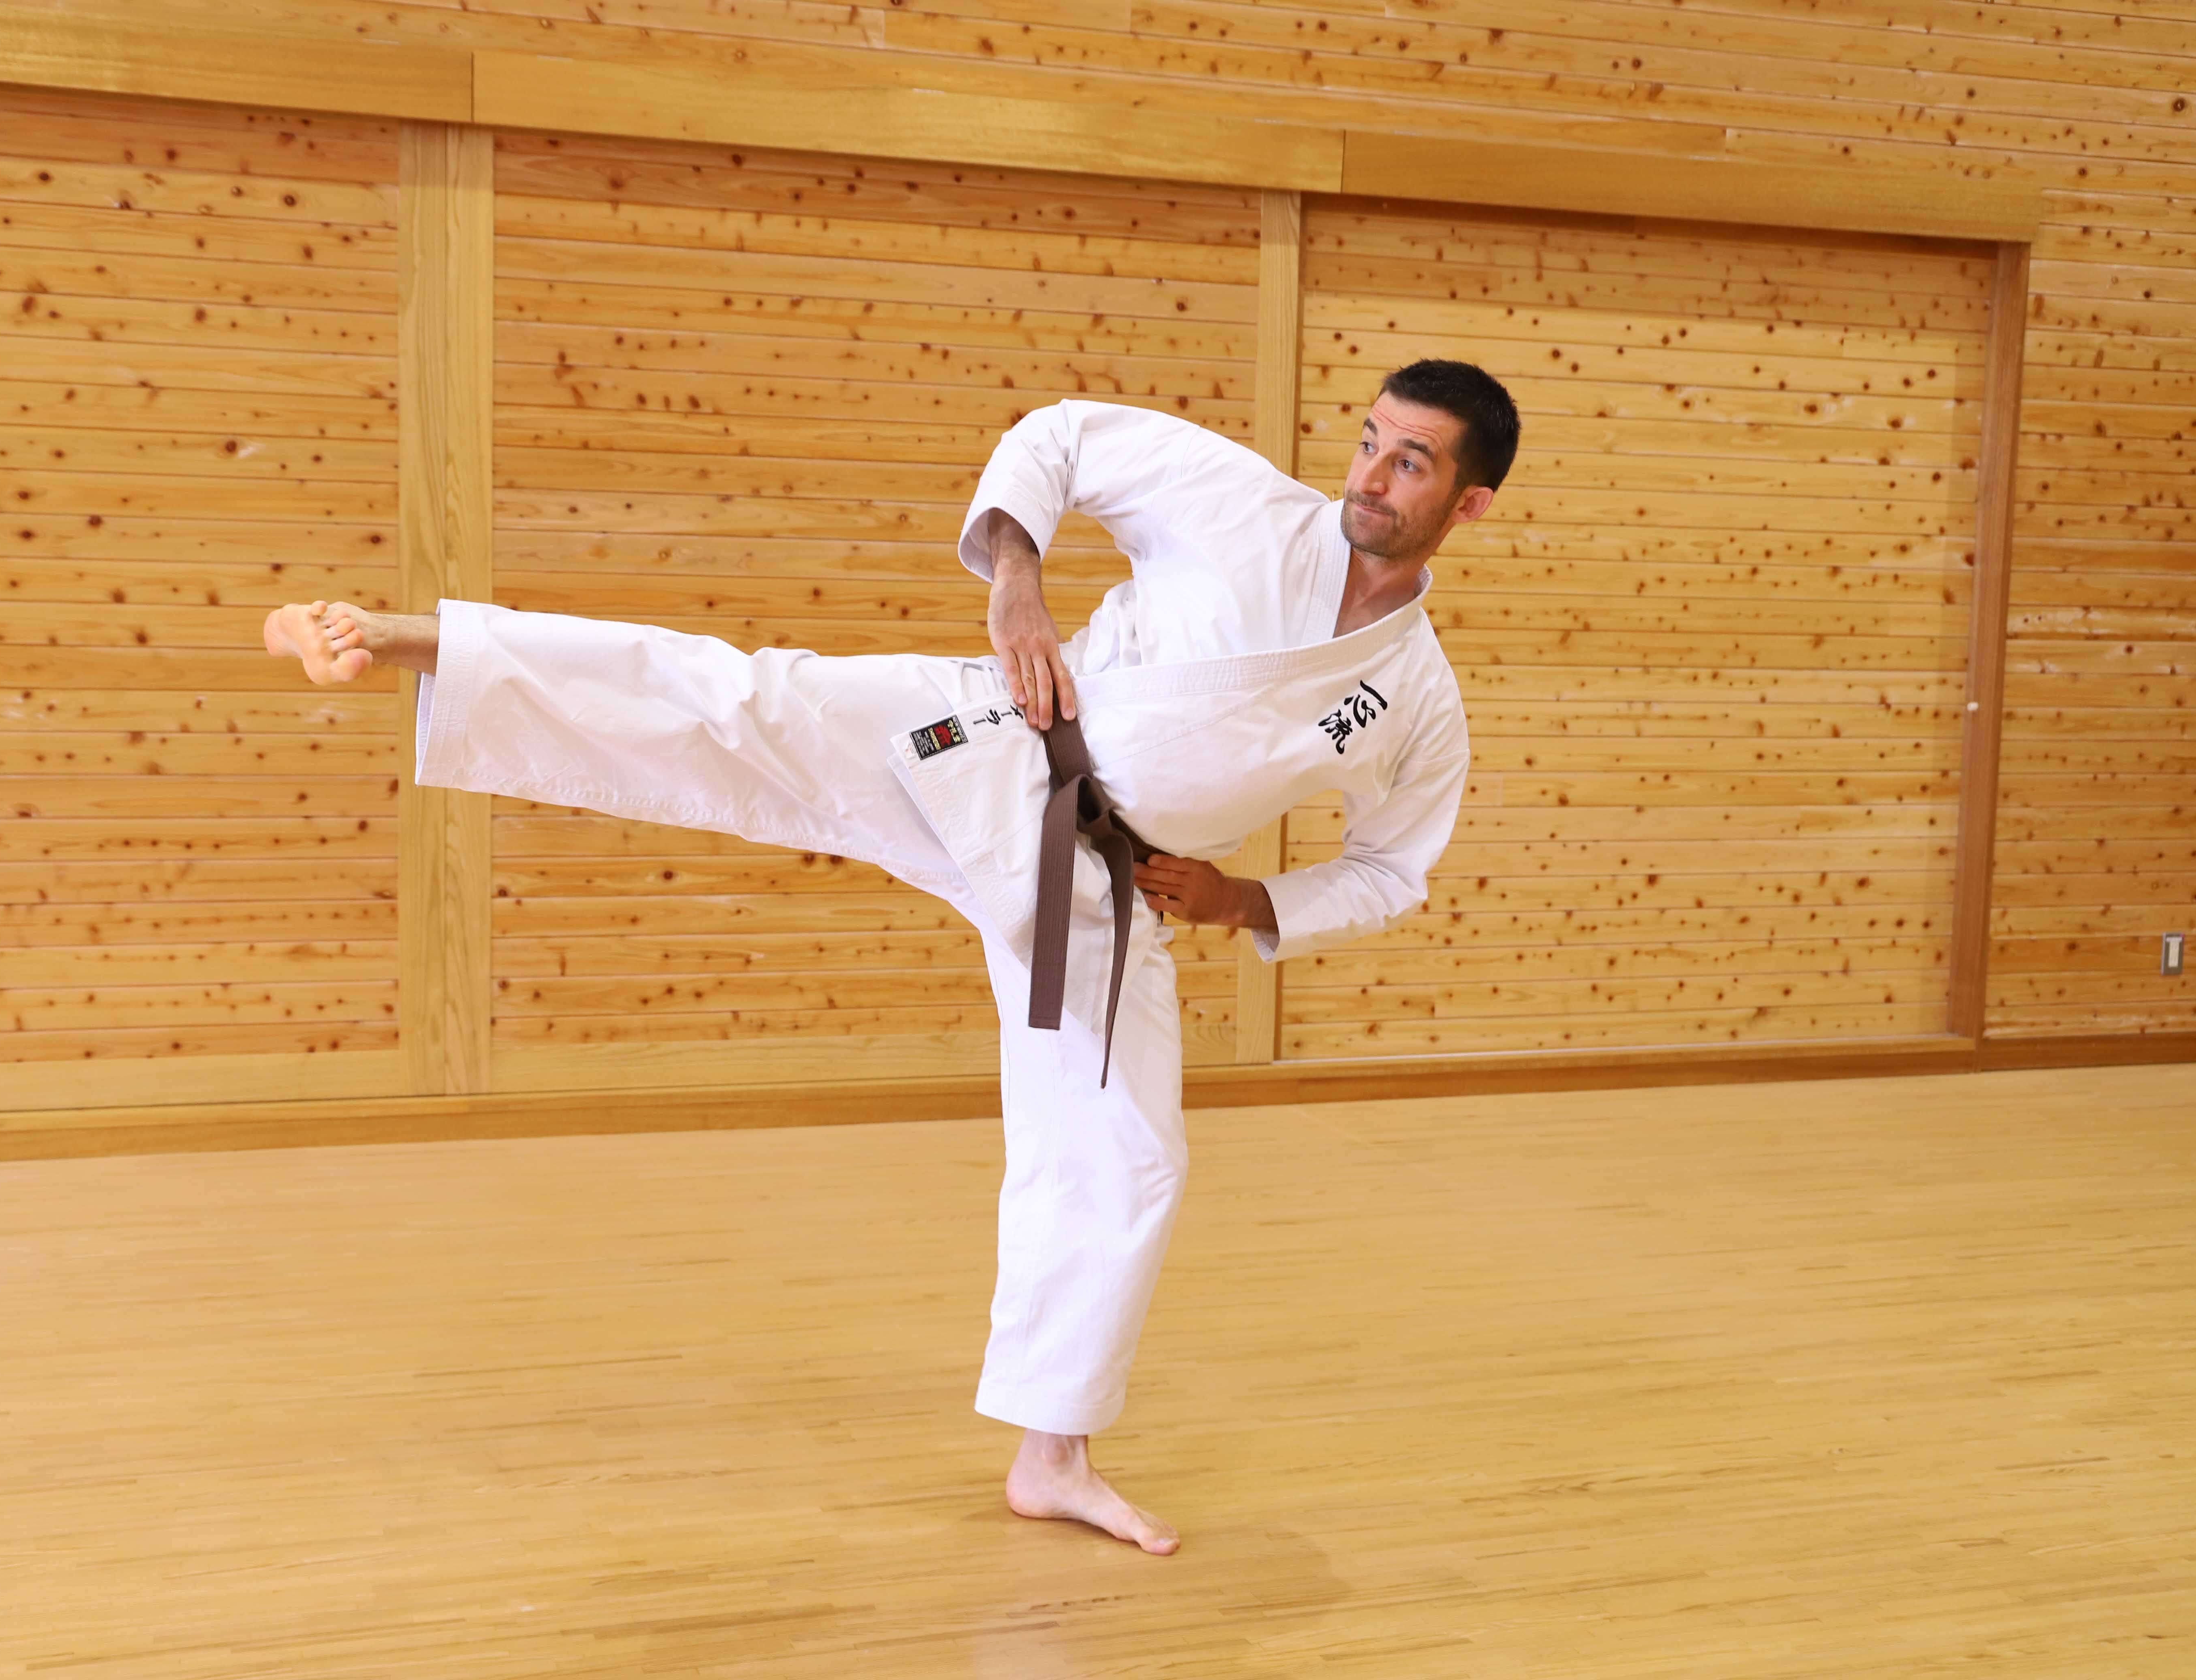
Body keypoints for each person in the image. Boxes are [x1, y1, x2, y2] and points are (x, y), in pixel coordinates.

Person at [264, 360, 1518, 1554]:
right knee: (750, 705)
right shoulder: (1245, 505)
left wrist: (1244, 899)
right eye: (1369, 441)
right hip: (987, 744)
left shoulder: (1417, 699)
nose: (1370, 475)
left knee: (1131, 1157)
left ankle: (1052, 1458)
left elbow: (1392, 868)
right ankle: (402, 638)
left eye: (1410, 463)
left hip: (1101, 889)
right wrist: (1016, 580)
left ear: (1468, 504)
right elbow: (1059, 436)